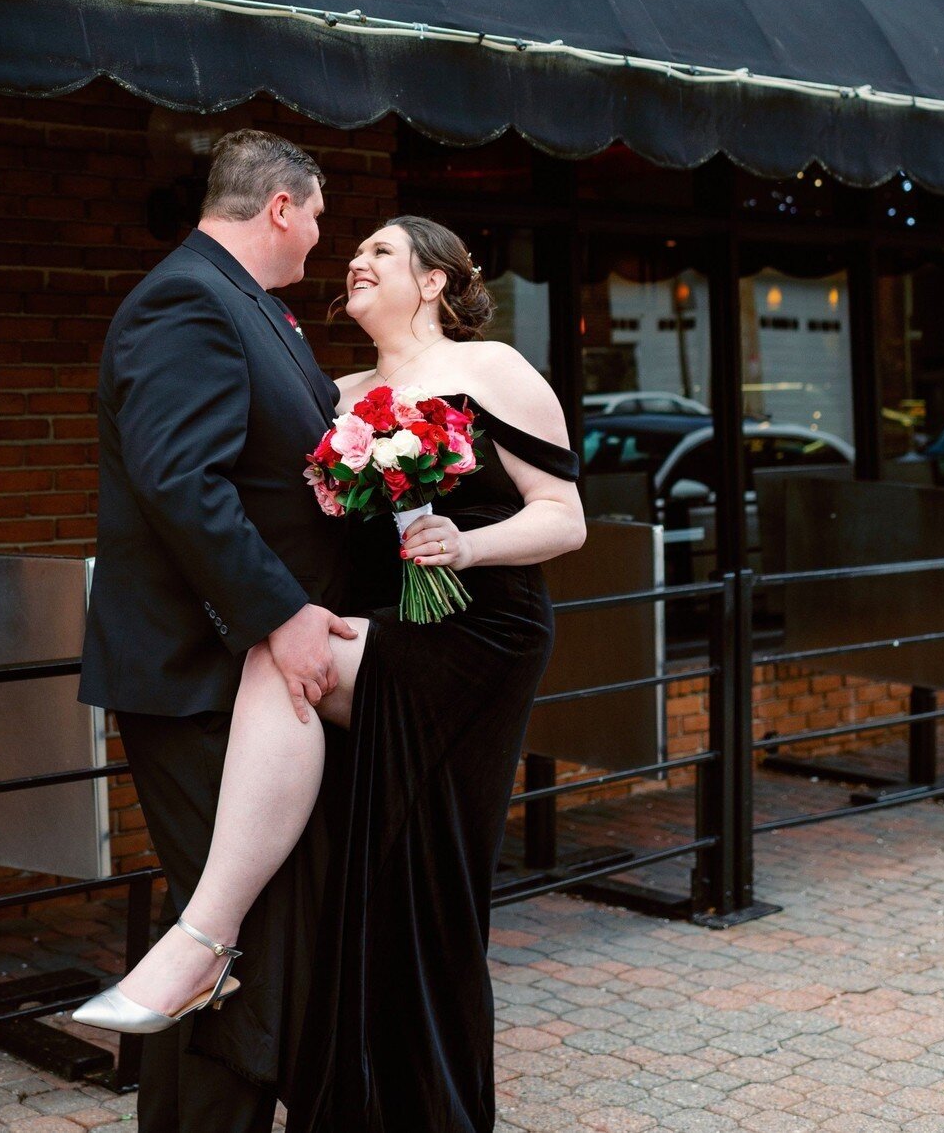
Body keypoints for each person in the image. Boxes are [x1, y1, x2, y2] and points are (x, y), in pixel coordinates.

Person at [76, 214, 586, 1133]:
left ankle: (203, 939)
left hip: (477, 637)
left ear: (433, 282)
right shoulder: (335, 392)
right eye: (351, 250)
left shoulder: (494, 369)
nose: (355, 259)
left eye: (381, 252)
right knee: (389, 890)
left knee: (287, 663)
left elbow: (563, 518)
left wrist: (465, 545)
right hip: (383, 631)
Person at [76, 128, 358, 1133]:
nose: (322, 239)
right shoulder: (184, 299)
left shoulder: (252, 308)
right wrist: (280, 614)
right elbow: (178, 482)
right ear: (278, 206)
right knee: (234, 933)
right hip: (195, 671)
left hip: (248, 676)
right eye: (318, 214)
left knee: (238, 927)